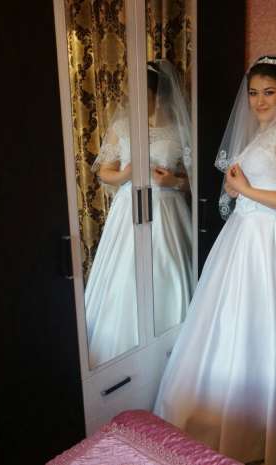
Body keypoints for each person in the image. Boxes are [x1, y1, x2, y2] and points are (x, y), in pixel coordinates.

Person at [153, 55, 276, 465]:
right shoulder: (261, 134)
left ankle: (267, 423)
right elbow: (247, 185)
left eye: (269, 92)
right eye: (254, 93)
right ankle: (237, 414)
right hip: (244, 235)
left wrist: (246, 190)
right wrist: (236, 189)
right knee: (235, 321)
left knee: (269, 323)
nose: (259, 101)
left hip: (271, 240)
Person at [85, 60, 194, 368]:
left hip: (168, 209)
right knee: (125, 276)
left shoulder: (179, 130)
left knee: (167, 270)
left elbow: (194, 180)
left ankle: (172, 354)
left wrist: (173, 181)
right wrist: (125, 175)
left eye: (141, 92)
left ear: (158, 94)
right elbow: (104, 172)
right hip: (129, 208)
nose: (133, 98)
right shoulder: (122, 128)